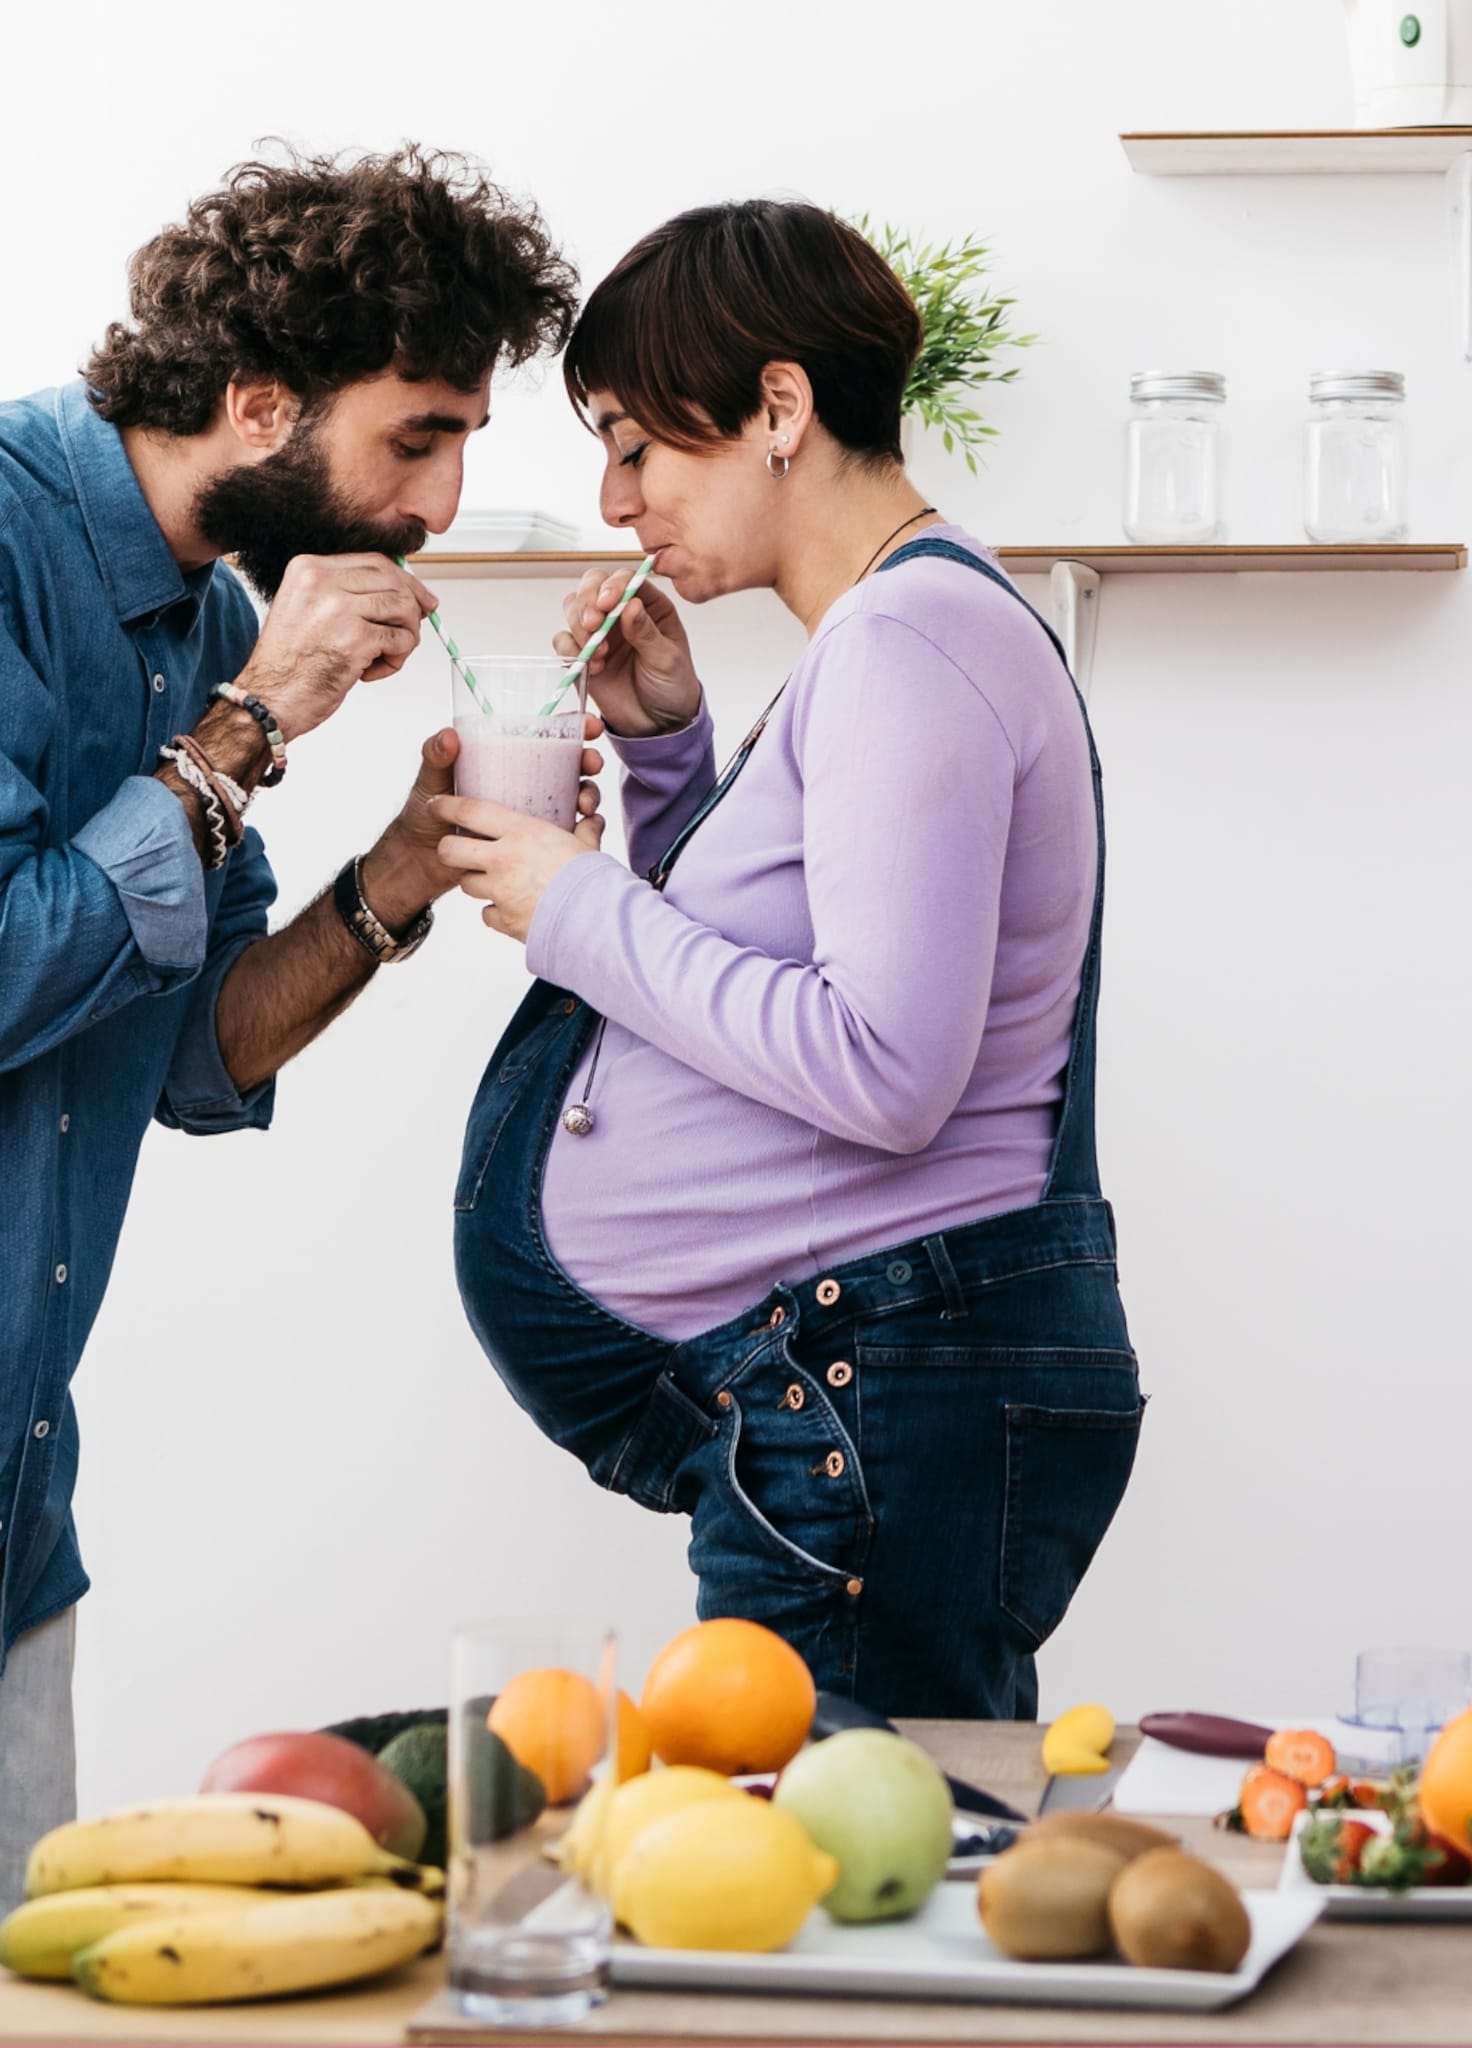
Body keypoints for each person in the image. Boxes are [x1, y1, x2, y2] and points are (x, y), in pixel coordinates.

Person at [437, 199, 1144, 1720]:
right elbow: (795, 966)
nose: (617, 499)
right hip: (848, 1398)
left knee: (848, 1911)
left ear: (776, 407)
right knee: (862, 1875)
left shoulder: (909, 647)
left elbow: (883, 1067)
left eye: (636, 443)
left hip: (865, 1402)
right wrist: (673, 757)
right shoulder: (901, 632)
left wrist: (573, 904)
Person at [0, 145, 581, 1906]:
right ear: (259, 402)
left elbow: (198, 1049)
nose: (445, 503)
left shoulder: (213, 622)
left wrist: (398, 870)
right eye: (419, 436)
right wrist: (253, 726)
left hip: (21, 1507)